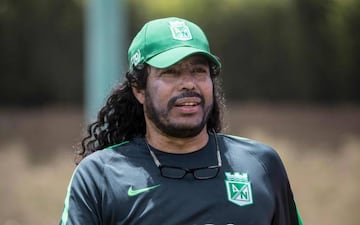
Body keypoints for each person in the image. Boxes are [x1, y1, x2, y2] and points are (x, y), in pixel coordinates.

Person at [59, 17, 303, 225]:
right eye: (171, 72)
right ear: (139, 89)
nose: (189, 83)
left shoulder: (261, 165)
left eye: (199, 71)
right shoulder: (99, 176)